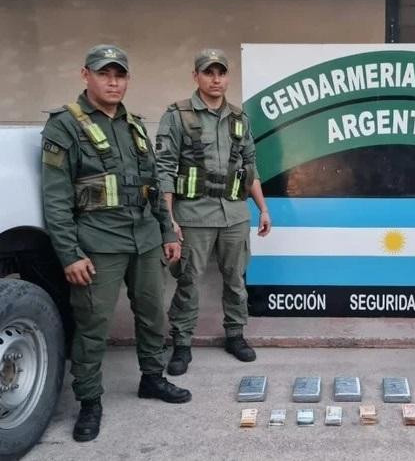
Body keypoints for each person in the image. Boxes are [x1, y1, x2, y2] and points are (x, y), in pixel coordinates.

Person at [41, 44, 192, 442]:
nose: (113, 81)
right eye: (104, 73)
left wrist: (167, 232)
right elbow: (55, 199)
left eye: (120, 74)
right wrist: (69, 254)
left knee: (152, 317)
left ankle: (152, 378)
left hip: (143, 239)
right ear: (85, 75)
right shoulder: (64, 126)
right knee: (92, 326)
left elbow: (155, 187)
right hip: (97, 244)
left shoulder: (135, 125)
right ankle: (89, 401)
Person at [155, 49, 271, 375]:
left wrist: (263, 209)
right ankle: (181, 343)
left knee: (235, 280)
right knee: (188, 280)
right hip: (193, 214)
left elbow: (250, 167)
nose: (216, 79)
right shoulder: (177, 116)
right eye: (209, 72)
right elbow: (163, 170)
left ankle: (235, 334)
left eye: (221, 72)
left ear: (228, 77)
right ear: (196, 76)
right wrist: (169, 219)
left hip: (234, 214)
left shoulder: (238, 119)